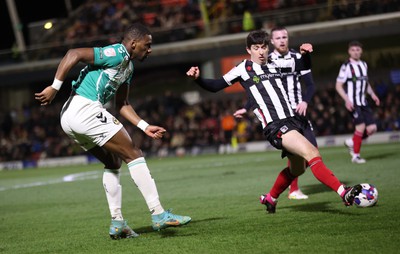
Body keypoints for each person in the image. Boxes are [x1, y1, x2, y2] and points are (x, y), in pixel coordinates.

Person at [34, 23, 191, 239]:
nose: (150, 49)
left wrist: (144, 126)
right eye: (147, 45)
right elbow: (74, 53)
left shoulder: (128, 68)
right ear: (133, 43)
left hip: (70, 118)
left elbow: (122, 104)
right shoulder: (117, 53)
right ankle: (159, 214)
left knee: (113, 162)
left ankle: (117, 223)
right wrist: (55, 86)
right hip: (84, 108)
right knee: (134, 154)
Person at [186, 29, 362, 214]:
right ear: (249, 50)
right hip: (276, 126)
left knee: (297, 170)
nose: (261, 52)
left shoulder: (274, 63)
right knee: (312, 153)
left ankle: (270, 198)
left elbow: (302, 67)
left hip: (293, 121)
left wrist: (305, 55)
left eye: (264, 47)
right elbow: (216, 86)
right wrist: (198, 79)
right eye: (256, 48)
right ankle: (344, 193)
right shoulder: (242, 69)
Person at [233, 26, 317, 200]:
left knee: (311, 151)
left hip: (298, 111)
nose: (282, 40)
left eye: (284, 37)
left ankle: (280, 193)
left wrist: (305, 101)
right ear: (271, 42)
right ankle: (293, 189)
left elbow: (310, 84)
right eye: (278, 38)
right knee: (302, 152)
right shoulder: (265, 60)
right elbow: (258, 90)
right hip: (280, 115)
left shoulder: (297, 58)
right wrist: (246, 107)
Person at [335, 40, 380, 164]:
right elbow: (338, 86)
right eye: (353, 50)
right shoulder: (346, 66)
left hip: (363, 102)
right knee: (360, 127)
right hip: (353, 103)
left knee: (372, 128)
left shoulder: (364, 65)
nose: (355, 52)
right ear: (349, 52)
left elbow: (365, 83)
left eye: (358, 50)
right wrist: (347, 100)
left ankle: (351, 142)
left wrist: (373, 94)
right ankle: (356, 156)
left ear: (361, 51)